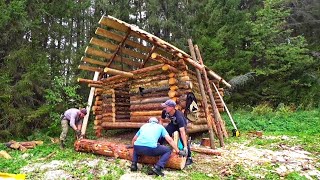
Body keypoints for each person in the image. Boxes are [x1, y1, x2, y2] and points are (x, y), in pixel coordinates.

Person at [160, 99, 193, 166]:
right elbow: (161, 119)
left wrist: (185, 147)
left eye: (166, 106)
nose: (165, 108)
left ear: (171, 108)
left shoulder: (179, 116)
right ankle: (158, 147)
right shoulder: (165, 112)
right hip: (173, 124)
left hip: (181, 126)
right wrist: (160, 128)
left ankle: (189, 157)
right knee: (164, 134)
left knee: (182, 139)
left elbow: (182, 132)